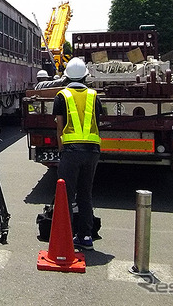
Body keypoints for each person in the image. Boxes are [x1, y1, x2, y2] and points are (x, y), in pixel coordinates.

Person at [52, 57, 102, 250]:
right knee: (85, 194)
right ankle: (86, 236)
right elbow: (96, 120)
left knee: (65, 194)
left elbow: (59, 126)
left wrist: (61, 148)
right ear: (85, 77)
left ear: (66, 77)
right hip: (92, 150)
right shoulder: (93, 95)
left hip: (71, 150)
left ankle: (65, 235)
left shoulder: (62, 96)